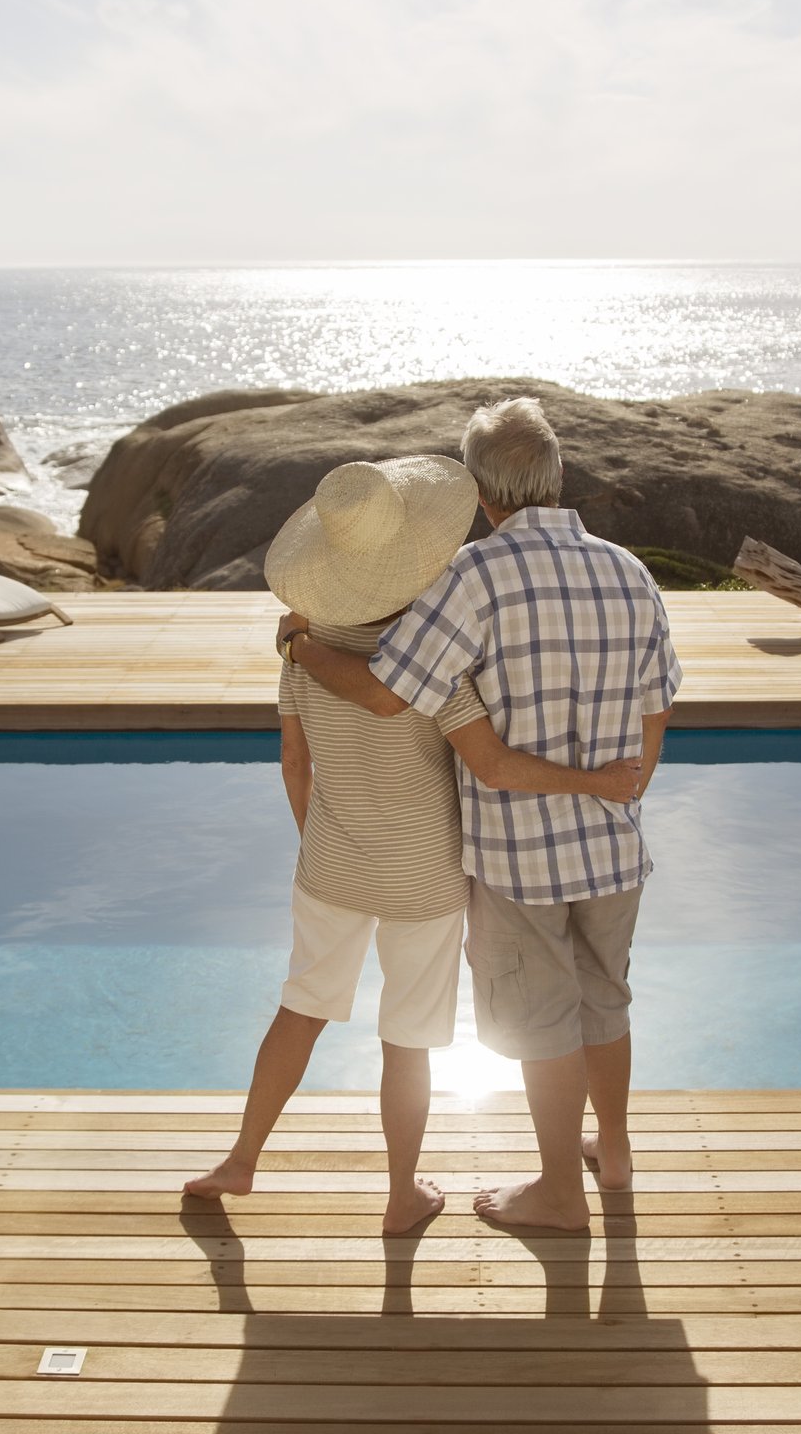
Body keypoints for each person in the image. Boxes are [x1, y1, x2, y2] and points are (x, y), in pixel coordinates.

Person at [184, 455, 641, 1235]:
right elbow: (489, 764)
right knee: (408, 1041)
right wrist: (602, 783)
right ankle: (402, 1194)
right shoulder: (441, 668)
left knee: (300, 1010)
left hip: (331, 864)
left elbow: (297, 763)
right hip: (426, 877)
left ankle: (241, 1158)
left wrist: (323, 838)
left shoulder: (299, 649)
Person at [282, 397, 680, 1232]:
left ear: (480, 492)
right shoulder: (628, 569)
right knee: (605, 999)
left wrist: (304, 647)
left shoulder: (476, 575)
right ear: (557, 474)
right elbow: (652, 720)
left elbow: (388, 697)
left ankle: (559, 1195)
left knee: (541, 1017)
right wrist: (612, 784)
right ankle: (611, 1153)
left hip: (518, 852)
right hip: (613, 844)